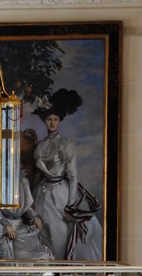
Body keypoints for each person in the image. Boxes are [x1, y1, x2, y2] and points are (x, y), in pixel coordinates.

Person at [32, 87, 103, 262]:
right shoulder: (40, 146)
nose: (52, 123)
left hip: (61, 193)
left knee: (60, 235)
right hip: (42, 193)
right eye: (49, 119)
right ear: (44, 121)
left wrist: (71, 205)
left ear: (60, 121)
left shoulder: (66, 144)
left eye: (55, 119)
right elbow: (40, 174)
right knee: (40, 234)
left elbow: (73, 176)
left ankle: (63, 275)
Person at [0, 128, 53, 262]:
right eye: (9, 164)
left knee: (39, 247)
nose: (13, 167)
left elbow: (26, 206)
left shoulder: (23, 182)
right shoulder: (1, 184)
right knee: (5, 249)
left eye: (16, 164)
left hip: (19, 224)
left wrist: (34, 217)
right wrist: (6, 225)